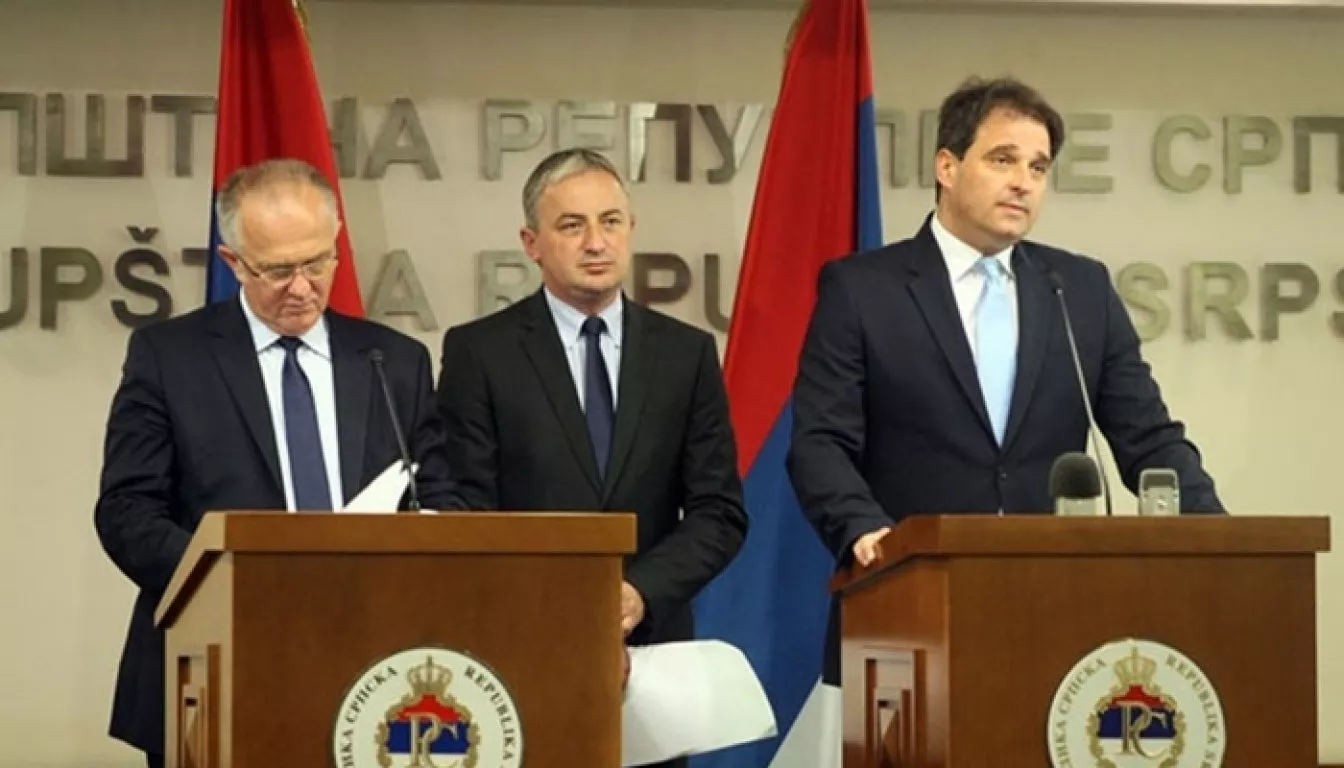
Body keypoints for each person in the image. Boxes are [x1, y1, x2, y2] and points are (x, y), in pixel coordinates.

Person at [94, 158, 466, 767]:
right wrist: (231, 582)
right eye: (278, 270)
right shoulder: (171, 357)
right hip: (216, 659)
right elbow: (127, 511)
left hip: (373, 658)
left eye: (317, 262)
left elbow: (443, 497)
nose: (302, 287)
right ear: (234, 262)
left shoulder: (393, 361)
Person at [787, 76, 1224, 573]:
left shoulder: (1080, 290)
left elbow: (1148, 438)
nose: (1023, 182)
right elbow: (821, 442)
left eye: (1038, 168)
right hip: (907, 584)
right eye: (1003, 160)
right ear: (947, 167)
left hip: (1052, 587)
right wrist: (863, 528)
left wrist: (1221, 535)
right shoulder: (863, 289)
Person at [435, 148, 747, 728]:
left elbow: (719, 512)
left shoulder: (686, 355)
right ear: (531, 243)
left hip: (653, 652)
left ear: (631, 229)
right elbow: (466, 511)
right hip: (520, 651)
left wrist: (636, 594)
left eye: (610, 222)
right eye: (572, 226)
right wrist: (564, 605)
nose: (596, 243)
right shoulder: (480, 353)